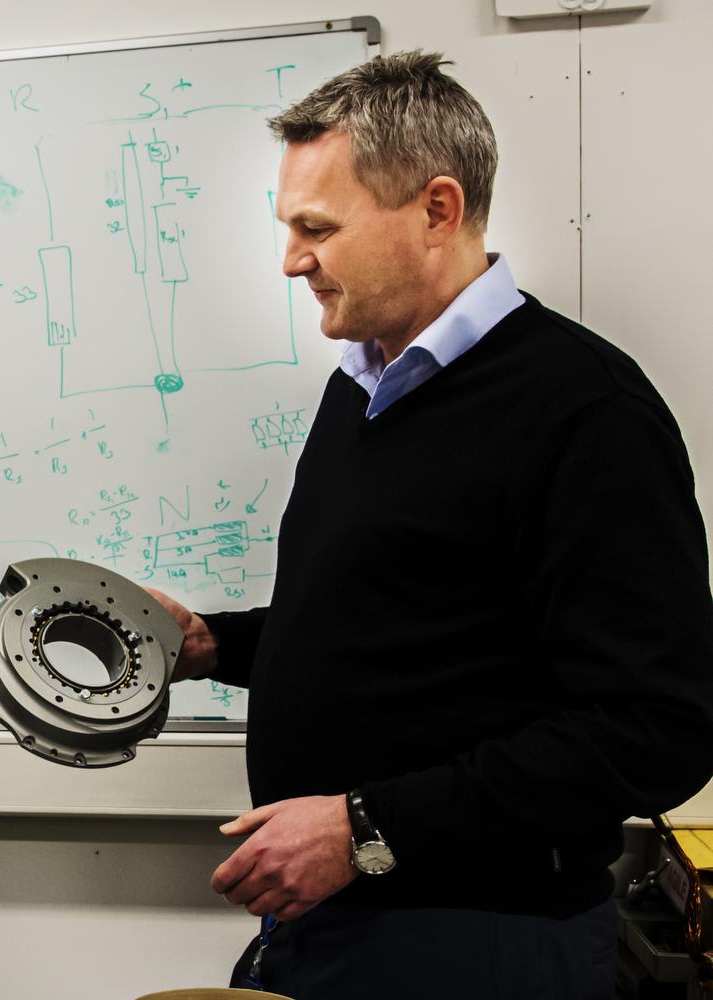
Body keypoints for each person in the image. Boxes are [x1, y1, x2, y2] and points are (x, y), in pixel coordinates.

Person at [151, 51, 713, 998]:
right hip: (340, 921)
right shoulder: (363, 387)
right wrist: (216, 643)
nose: (292, 260)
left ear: (437, 210)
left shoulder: (585, 411)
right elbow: (400, 624)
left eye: (317, 228)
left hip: (483, 946)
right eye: (288, 228)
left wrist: (366, 830)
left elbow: (657, 728)